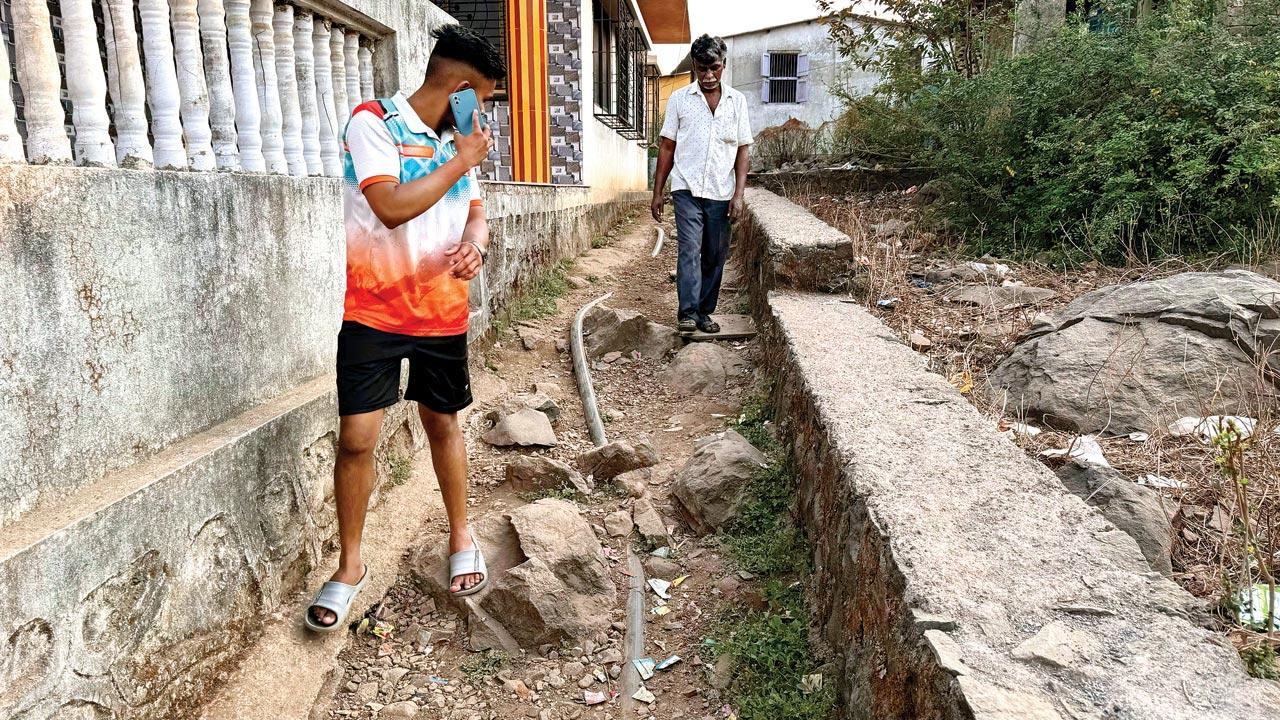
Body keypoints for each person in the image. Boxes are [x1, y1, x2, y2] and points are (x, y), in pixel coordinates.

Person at [305, 24, 506, 633]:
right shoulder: (373, 122)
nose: (483, 114)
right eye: (484, 99)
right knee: (357, 438)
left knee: (442, 422)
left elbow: (475, 212)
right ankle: (350, 566)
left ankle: (460, 533)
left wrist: (475, 245)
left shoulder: (455, 141)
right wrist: (462, 160)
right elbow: (389, 208)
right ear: (461, 88)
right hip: (372, 311)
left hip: (442, 309)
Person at [651, 34, 752, 335]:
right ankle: (688, 312)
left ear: (724, 66)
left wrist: (738, 194)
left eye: (715, 69)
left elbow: (743, 148)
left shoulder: (737, 102)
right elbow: (667, 146)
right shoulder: (681, 100)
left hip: (721, 191)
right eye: (701, 69)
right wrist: (658, 192)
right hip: (687, 188)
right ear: (694, 66)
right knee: (690, 248)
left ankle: (705, 312)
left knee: (715, 254)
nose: (708, 76)